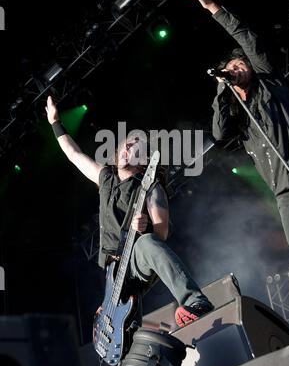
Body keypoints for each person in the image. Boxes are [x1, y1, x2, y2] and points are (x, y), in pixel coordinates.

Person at [45, 96, 213, 329]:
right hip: (112, 273)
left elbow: (161, 234)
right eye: (126, 143)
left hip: (136, 259)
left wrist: (146, 227)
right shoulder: (105, 177)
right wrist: (55, 122)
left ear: (143, 161)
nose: (128, 146)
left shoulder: (151, 188)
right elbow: (74, 155)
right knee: (121, 329)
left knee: (148, 243)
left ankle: (195, 301)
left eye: (136, 146)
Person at [184, 0, 289, 266]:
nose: (236, 68)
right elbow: (220, 134)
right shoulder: (243, 121)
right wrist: (221, 91)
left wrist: (211, 6)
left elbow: (246, 39)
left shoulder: (270, 83)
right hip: (286, 197)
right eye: (231, 68)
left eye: (239, 64)